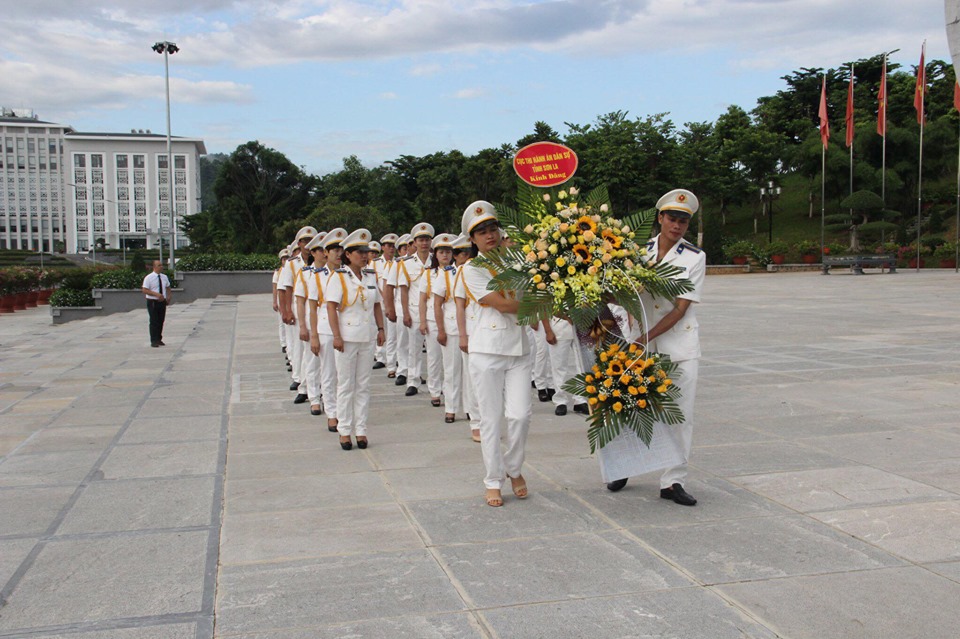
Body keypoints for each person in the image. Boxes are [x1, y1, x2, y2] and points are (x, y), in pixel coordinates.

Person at [605, 188, 706, 507]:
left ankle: (673, 480)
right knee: (628, 408)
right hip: (639, 342)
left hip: (678, 345)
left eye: (683, 221)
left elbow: (680, 309)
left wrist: (644, 337)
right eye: (672, 218)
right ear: (660, 218)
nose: (677, 225)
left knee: (680, 415)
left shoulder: (695, 257)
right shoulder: (635, 252)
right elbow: (622, 294)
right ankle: (624, 466)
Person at [460, 201, 532, 508]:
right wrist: (542, 305)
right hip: (487, 350)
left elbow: (538, 287)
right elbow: (502, 304)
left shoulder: (519, 261)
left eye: (492, 229)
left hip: (519, 348)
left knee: (520, 415)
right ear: (472, 239)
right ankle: (493, 480)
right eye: (482, 232)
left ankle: (513, 467)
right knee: (490, 419)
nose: (489, 236)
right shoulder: (471, 268)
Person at [326, 229, 386, 450]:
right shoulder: (339, 277)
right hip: (347, 337)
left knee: (363, 385)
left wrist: (381, 328)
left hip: (367, 336)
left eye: (365, 252)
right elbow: (331, 308)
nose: (364, 255)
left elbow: (377, 304)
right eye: (359, 252)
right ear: (348, 255)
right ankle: (344, 430)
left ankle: (361, 430)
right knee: (345, 385)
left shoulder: (370, 276)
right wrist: (336, 336)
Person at [316, 228, 348, 433]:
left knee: (344, 374)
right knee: (328, 372)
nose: (338, 253)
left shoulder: (349, 274)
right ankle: (332, 412)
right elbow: (312, 307)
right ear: (326, 253)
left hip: (347, 328)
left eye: (341, 250)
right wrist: (312, 334)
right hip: (326, 328)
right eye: (334, 250)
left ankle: (344, 411)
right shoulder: (317, 276)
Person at [452, 234, 482, 442]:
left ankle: (489, 421)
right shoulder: (464, 271)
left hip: (490, 330)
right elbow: (460, 305)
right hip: (472, 329)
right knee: (473, 378)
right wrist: (462, 335)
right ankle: (476, 422)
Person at [398, 223, 434, 397]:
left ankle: (435, 383)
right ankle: (413, 380)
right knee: (414, 348)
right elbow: (403, 290)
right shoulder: (406, 264)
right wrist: (405, 312)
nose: (424, 243)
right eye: (421, 240)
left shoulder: (437, 260)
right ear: (414, 242)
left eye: (427, 239)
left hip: (434, 311)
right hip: (414, 311)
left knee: (434, 350)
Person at [421, 233, 455, 410]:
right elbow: (422, 300)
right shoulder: (429, 274)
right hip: (432, 320)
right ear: (436, 254)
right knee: (434, 357)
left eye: (448, 252)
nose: (445, 255)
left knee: (450, 361)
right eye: (441, 252)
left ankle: (450, 393)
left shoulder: (457, 272)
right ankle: (434, 391)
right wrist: (422, 321)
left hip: (451, 320)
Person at [302, 232, 327, 416]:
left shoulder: (336, 272)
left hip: (329, 324)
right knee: (312, 361)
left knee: (330, 365)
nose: (324, 254)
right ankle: (314, 398)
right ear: (313, 252)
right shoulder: (306, 274)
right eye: (320, 250)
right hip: (313, 321)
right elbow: (300, 301)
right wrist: (303, 326)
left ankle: (327, 396)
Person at [386, 234, 412, 386]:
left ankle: (414, 372)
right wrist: (390, 308)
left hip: (421, 309)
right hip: (402, 307)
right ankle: (402, 371)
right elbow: (389, 286)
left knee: (416, 344)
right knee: (402, 341)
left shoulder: (429, 261)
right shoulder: (399, 263)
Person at [141, 259, 171, 347]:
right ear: (154, 267)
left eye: (161, 265)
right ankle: (153, 340)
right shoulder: (149, 278)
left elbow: (168, 287)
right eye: (159, 265)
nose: (161, 267)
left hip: (162, 301)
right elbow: (144, 290)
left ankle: (159, 338)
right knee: (154, 321)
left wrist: (168, 297)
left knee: (161, 320)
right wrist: (156, 294)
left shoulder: (164, 277)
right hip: (153, 301)